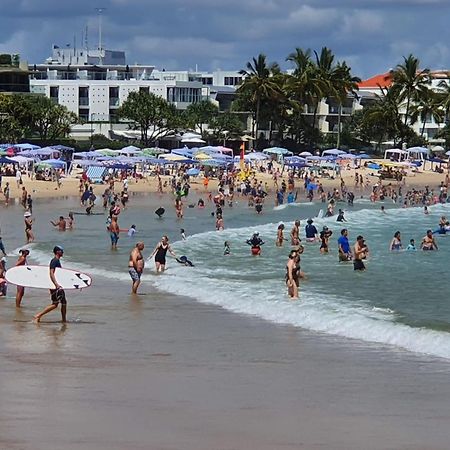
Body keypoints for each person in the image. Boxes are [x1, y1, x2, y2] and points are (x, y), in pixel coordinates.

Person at [33, 246, 67, 323]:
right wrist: (56, 284)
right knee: (56, 304)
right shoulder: (54, 261)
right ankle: (38, 315)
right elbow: (51, 272)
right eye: (61, 251)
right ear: (57, 252)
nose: (63, 252)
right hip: (56, 286)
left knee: (63, 303)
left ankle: (64, 320)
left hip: (56, 285)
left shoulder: (57, 260)